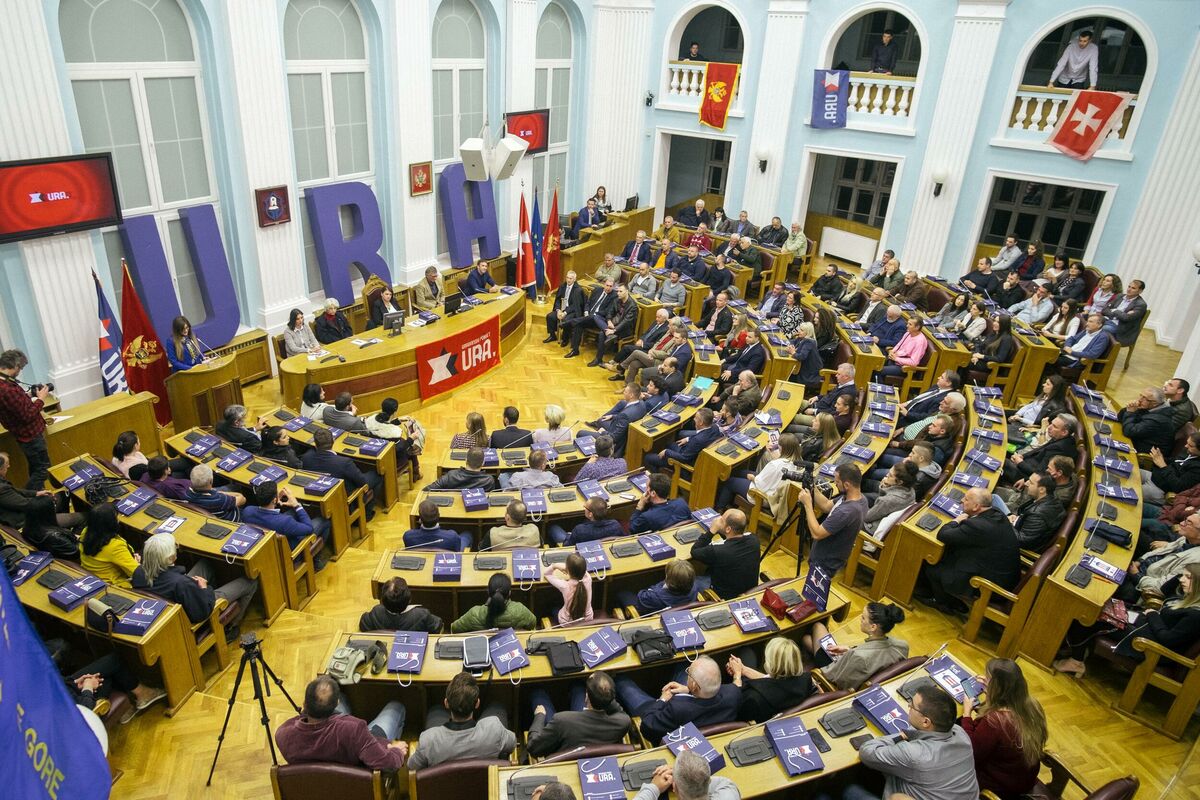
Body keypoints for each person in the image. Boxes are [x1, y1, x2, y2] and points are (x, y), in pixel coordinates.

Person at [851, 685, 979, 800]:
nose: (908, 706)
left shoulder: (914, 754)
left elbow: (866, 751)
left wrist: (901, 735)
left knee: (849, 788)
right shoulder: (961, 734)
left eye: (912, 705)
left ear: (926, 722)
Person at [918, 488, 1020, 613]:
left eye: (966, 499)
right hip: (1000, 575)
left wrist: (956, 520)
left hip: (989, 586)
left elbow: (943, 535)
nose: (962, 500)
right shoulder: (996, 513)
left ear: (976, 506)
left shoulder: (978, 526)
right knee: (947, 553)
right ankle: (953, 601)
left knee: (933, 567)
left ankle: (944, 603)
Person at [276, 675, 407, 770]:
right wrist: (397, 751)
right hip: (356, 780)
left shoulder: (283, 734)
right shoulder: (354, 729)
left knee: (344, 696)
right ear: (336, 704)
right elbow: (388, 763)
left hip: (317, 788)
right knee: (396, 707)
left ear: (304, 703)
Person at [135, 532, 257, 633]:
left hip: (177, 597)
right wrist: (205, 589)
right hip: (198, 610)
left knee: (205, 564)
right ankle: (230, 628)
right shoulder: (182, 583)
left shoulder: (138, 572)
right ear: (172, 558)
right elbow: (202, 613)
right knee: (250, 582)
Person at [960, 659, 1047, 799]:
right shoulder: (1033, 706)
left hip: (1000, 786)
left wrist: (966, 714)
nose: (985, 681)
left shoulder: (995, 721)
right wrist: (990, 697)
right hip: (1023, 779)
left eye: (988, 680)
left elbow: (970, 751)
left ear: (997, 687)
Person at [616, 654, 740, 745]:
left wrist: (662, 700)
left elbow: (648, 726)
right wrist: (687, 689)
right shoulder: (733, 693)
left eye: (689, 672)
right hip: (706, 727)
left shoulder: (676, 709)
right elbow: (735, 685)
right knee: (682, 663)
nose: (688, 673)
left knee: (621, 681)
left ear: (694, 686)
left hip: (656, 712)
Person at [410, 671, 518, 770]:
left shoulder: (428, 740)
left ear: (446, 703)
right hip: (488, 784)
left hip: (444, 785)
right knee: (497, 707)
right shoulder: (494, 729)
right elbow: (512, 743)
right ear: (477, 703)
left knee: (435, 710)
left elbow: (412, 767)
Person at [802, 603, 908, 691]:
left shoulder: (859, 657)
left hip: (833, 675)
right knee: (808, 639)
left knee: (815, 629)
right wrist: (849, 650)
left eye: (863, 618)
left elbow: (839, 682)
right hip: (861, 671)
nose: (860, 620)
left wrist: (848, 655)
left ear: (873, 627)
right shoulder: (902, 645)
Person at [527, 671, 631, 758]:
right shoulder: (623, 722)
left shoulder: (562, 720)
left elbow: (533, 748)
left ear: (587, 697)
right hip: (595, 756)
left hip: (566, 760)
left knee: (537, 693)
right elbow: (614, 706)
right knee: (577, 686)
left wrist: (539, 716)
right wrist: (605, 694)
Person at [797, 464, 868, 576]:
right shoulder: (859, 498)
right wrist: (812, 487)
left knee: (814, 587)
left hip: (825, 562)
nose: (835, 484)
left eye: (837, 482)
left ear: (847, 485)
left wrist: (807, 504)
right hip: (828, 557)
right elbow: (826, 505)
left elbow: (817, 533)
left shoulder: (847, 511)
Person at [302, 428, 385, 518]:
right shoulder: (344, 462)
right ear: (333, 440)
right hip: (345, 499)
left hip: (320, 496)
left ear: (315, 443)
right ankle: (367, 514)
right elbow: (362, 483)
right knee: (377, 474)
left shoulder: (306, 458)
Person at [62, 652, 166, 723]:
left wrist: (74, 682)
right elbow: (86, 710)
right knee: (108, 672)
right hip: (76, 714)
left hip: (67, 689)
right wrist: (88, 687)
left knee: (109, 664)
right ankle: (140, 696)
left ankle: (126, 709)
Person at [726, 638, 813, 722]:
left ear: (770, 664)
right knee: (746, 652)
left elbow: (735, 706)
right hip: (781, 709)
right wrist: (743, 670)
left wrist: (737, 676)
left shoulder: (753, 698)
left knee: (746, 652)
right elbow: (771, 681)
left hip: (752, 717)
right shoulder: (806, 679)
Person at [0, 349, 51, 489]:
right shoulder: (6, 389)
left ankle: (37, 494)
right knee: (42, 470)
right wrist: (41, 399)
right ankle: (30, 496)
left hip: (23, 435)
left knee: (35, 468)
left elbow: (14, 406)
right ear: (16, 366)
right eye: (20, 368)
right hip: (30, 436)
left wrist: (27, 396)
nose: (19, 372)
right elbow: (27, 416)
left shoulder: (5, 382)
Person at [242, 479, 332, 556]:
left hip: (265, 548)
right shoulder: (285, 522)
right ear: (274, 500)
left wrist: (277, 502)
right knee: (324, 520)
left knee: (293, 512)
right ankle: (317, 560)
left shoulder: (247, 511)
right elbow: (309, 528)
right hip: (289, 551)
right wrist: (296, 505)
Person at [691, 509, 760, 599]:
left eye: (722, 520)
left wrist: (711, 531)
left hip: (724, 597)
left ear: (728, 529)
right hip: (749, 593)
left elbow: (695, 551)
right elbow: (732, 539)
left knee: (692, 580)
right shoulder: (754, 540)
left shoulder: (717, 550)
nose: (718, 520)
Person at [78, 503, 142, 589]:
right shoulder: (115, 546)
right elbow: (136, 574)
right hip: (114, 585)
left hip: (93, 576)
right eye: (116, 516)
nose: (118, 518)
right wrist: (137, 563)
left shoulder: (86, 532)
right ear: (111, 523)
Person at [642, 407, 722, 473]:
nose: (694, 419)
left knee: (648, 458)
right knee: (669, 444)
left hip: (684, 465)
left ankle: (656, 481)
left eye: (696, 418)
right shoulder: (714, 427)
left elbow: (684, 458)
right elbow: (701, 434)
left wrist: (667, 452)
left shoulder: (697, 440)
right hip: (690, 452)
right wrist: (688, 439)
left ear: (701, 422)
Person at [634, 750, 739, 800]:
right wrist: (685, 773)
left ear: (674, 787)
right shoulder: (728, 793)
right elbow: (722, 782)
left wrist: (653, 788)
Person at [1003, 413, 1078, 482]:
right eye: (1051, 424)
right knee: (1004, 451)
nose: (1049, 427)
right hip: (1026, 463)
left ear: (1064, 432)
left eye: (1054, 426)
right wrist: (1022, 456)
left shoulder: (1060, 448)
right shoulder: (1060, 437)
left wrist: (1020, 463)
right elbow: (1039, 449)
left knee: (1002, 462)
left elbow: (1041, 474)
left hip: (1027, 476)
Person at [451, 573, 536, 632]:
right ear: (509, 593)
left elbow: (454, 628)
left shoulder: (474, 614)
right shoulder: (520, 610)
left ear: (488, 591)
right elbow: (533, 624)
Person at [364, 398, 422, 479]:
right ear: (395, 412)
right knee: (412, 448)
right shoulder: (394, 433)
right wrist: (411, 438)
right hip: (392, 461)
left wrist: (398, 420)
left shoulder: (371, 420)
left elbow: (383, 425)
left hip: (376, 453)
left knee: (404, 442)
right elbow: (400, 448)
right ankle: (416, 475)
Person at [359, 576, 443, 633]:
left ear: (382, 601)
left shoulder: (376, 612)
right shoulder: (422, 614)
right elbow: (438, 627)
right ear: (409, 599)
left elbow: (363, 625)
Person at [1008, 471, 1066, 552]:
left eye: (1031, 482)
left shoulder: (1037, 515)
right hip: (1018, 524)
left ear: (1042, 489)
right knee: (994, 498)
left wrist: (1006, 523)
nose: (1026, 483)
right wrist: (1017, 518)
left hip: (1013, 545)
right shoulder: (1052, 498)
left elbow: (1021, 540)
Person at [789, 362, 857, 430]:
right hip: (817, 406)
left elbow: (834, 411)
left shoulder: (848, 392)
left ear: (846, 377)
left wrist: (815, 411)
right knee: (794, 401)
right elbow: (830, 395)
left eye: (839, 374)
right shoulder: (843, 383)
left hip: (821, 418)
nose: (836, 376)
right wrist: (817, 397)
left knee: (794, 418)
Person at [562, 278, 617, 359]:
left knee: (588, 318)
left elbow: (608, 311)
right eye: (607, 285)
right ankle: (575, 350)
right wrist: (586, 311)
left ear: (613, 287)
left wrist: (594, 315)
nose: (608, 288)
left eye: (610, 286)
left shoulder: (614, 296)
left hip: (599, 321)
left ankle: (569, 322)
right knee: (578, 324)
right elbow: (588, 302)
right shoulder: (597, 290)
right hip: (588, 317)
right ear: (604, 284)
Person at [1007, 375, 1069, 443]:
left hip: (1026, 425)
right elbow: (1029, 406)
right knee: (1001, 412)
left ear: (1055, 389)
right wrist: (1017, 414)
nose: (1043, 385)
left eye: (1047, 384)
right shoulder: (1044, 395)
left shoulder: (1056, 408)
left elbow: (1039, 425)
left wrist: (1019, 419)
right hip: (1020, 417)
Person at [625, 559, 697, 616]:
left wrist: (654, 589)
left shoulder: (652, 597)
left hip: (647, 612)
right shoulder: (695, 586)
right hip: (680, 610)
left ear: (668, 577)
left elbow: (641, 596)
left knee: (623, 594)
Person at [1117, 387, 1176, 454]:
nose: (1140, 400)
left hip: (1145, 453)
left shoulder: (1158, 419)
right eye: (1141, 395)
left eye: (1144, 398)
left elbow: (1129, 431)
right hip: (1136, 441)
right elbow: (1120, 418)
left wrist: (1130, 412)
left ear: (1155, 403)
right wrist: (1130, 408)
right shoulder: (1150, 407)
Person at [864, 462, 918, 535]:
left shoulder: (888, 500)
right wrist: (884, 486)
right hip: (882, 511)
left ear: (900, 482)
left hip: (869, 528)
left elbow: (867, 517)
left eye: (890, 475)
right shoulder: (911, 491)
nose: (886, 475)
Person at [898, 370, 962, 427]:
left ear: (948, 383)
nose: (938, 378)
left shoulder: (944, 399)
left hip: (910, 421)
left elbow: (928, 416)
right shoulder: (936, 386)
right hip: (905, 410)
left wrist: (907, 414)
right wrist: (906, 403)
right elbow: (920, 398)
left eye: (942, 377)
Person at [22, 495, 79, 560]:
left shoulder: (27, 528)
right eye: (53, 505)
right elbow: (76, 552)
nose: (55, 507)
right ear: (48, 512)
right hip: (71, 558)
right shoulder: (55, 536)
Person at [551, 496, 623, 546]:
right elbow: (622, 539)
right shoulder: (615, 525)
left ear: (590, 514)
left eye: (585, 507)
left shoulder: (580, 530)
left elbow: (567, 546)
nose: (584, 508)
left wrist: (569, 535)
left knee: (553, 527)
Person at [405, 500, 472, 551]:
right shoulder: (452, 536)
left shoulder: (408, 536)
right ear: (439, 516)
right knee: (468, 534)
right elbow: (457, 553)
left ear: (420, 520)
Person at [546, 552, 592, 625]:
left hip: (568, 623)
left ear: (567, 570)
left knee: (553, 609)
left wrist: (555, 566)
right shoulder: (589, 579)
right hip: (588, 621)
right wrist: (569, 568)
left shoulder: (564, 586)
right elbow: (581, 569)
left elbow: (547, 574)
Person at [1100, 279, 1148, 346]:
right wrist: (1120, 314)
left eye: (1133, 288)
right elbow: (1105, 309)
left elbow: (1126, 318)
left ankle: (1098, 350)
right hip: (1107, 320)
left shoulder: (1141, 304)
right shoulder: (1120, 296)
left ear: (1140, 291)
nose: (1129, 289)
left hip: (1121, 328)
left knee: (1102, 329)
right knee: (1090, 321)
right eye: (1129, 286)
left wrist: (1115, 310)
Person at [429, 447, 497, 491]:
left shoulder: (451, 475)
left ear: (466, 460)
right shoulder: (489, 480)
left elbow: (428, 490)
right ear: (483, 463)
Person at [544, 270, 584, 344]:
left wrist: (565, 312)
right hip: (562, 308)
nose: (568, 280)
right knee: (550, 316)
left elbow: (575, 305)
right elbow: (558, 299)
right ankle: (552, 335)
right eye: (567, 278)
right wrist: (558, 310)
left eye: (570, 278)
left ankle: (565, 339)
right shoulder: (562, 286)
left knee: (566, 320)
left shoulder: (578, 290)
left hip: (572, 311)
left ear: (574, 279)